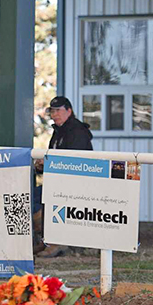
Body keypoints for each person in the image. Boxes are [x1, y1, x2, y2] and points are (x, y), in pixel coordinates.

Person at [33, 96, 93, 257]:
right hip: (58, 182)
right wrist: (42, 165)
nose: (55, 114)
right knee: (32, 197)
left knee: (44, 198)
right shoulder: (58, 131)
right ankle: (47, 238)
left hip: (75, 184)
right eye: (52, 111)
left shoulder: (78, 132)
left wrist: (48, 163)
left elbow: (75, 162)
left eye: (58, 110)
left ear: (69, 111)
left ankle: (56, 241)